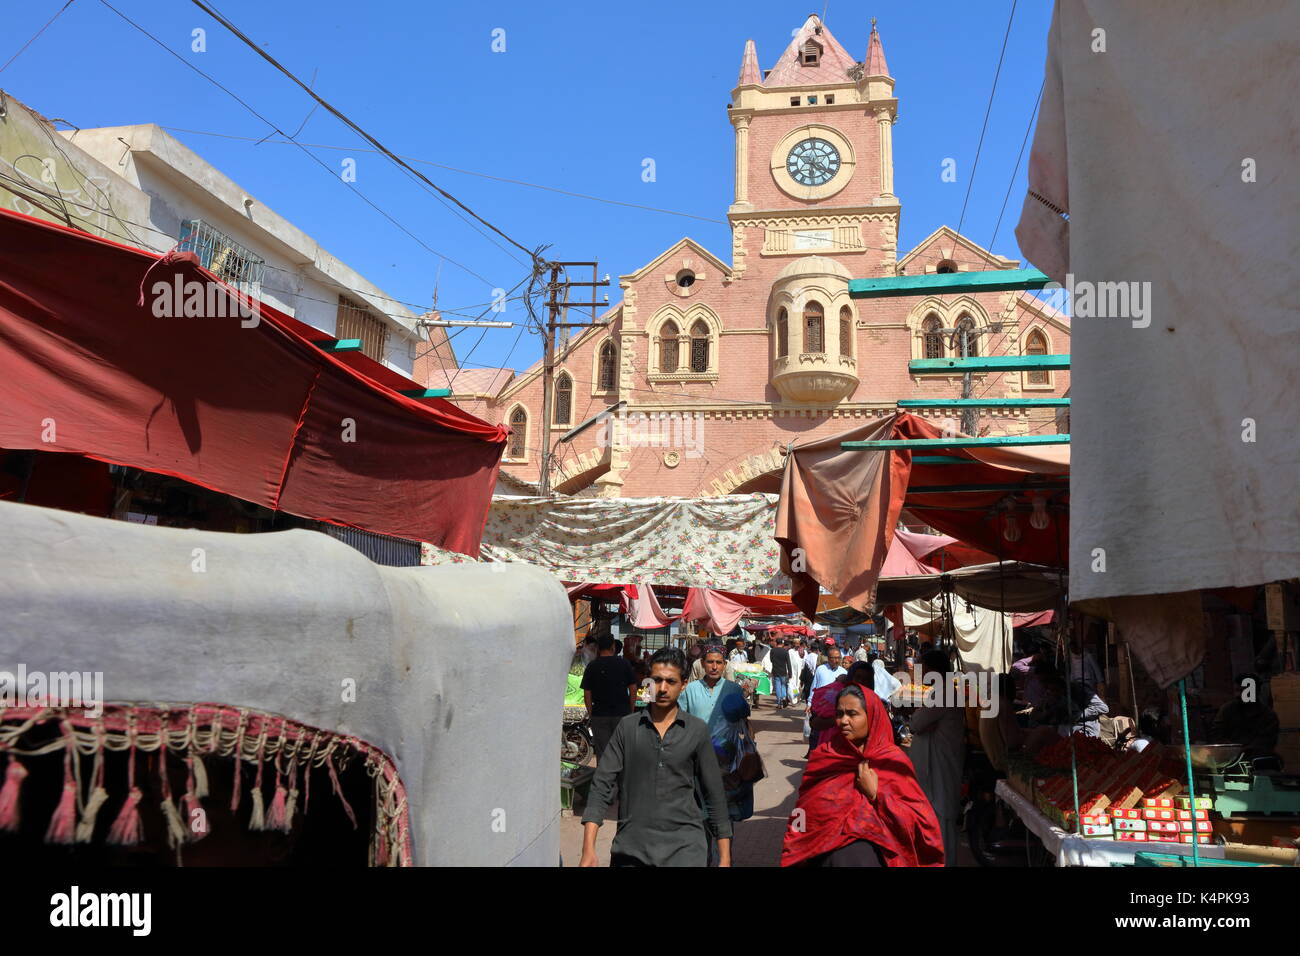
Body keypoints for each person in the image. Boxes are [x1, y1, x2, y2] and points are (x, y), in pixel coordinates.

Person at [580, 647, 732, 867]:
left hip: (685, 850)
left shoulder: (696, 731)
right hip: (631, 850)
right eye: (657, 680)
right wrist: (588, 849)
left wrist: (725, 858)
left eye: (671, 682)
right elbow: (601, 785)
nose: (662, 689)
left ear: (684, 685)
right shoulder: (628, 727)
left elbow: (714, 793)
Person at [782, 681, 945, 867]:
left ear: (872, 717)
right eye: (839, 714)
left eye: (852, 714)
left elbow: (919, 823)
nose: (843, 721)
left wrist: (877, 795)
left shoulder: (892, 761)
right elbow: (804, 812)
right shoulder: (825, 756)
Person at [908, 650, 967, 867]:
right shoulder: (942, 691)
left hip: (941, 765)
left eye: (923, 666)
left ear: (932, 670)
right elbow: (921, 723)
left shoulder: (944, 693)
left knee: (940, 819)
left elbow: (916, 724)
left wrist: (919, 721)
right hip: (939, 763)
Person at [581, 633, 638, 762]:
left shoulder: (592, 666)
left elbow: (587, 693)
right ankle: (621, 780)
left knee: (602, 752)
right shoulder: (624, 664)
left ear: (598, 648)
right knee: (621, 751)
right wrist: (631, 710)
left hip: (600, 715)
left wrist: (591, 713)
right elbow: (633, 689)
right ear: (613, 647)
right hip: (621, 714)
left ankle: (604, 780)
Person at [1212, 673, 1281, 762]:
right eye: (1237, 690)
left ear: (1256, 692)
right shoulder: (1227, 710)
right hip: (1229, 757)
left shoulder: (1268, 715)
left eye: (1244, 691)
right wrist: (1231, 749)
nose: (1239, 695)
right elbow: (1216, 734)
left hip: (1257, 758)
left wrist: (1245, 750)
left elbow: (1266, 742)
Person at [681, 645, 750, 727]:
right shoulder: (690, 689)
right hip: (696, 739)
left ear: (724, 665)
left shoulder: (734, 690)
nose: (714, 667)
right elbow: (680, 718)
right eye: (710, 662)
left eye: (719, 662)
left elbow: (743, 720)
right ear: (703, 664)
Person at [769, 637, 792, 708]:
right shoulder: (785, 651)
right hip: (783, 672)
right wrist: (790, 673)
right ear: (782, 643)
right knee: (783, 685)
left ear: (776, 643)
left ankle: (779, 703)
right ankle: (784, 697)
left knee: (778, 686)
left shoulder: (772, 650)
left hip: (776, 671)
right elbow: (788, 663)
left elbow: (771, 660)